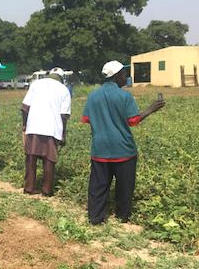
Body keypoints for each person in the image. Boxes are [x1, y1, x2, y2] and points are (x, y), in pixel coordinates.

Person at [82, 60, 165, 224]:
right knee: (124, 187)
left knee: (98, 187)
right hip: (123, 150)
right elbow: (133, 120)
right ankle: (122, 216)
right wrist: (151, 109)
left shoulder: (93, 96)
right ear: (117, 76)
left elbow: (87, 119)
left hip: (100, 149)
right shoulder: (125, 96)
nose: (126, 77)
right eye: (124, 74)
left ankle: (96, 218)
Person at [21, 67, 71, 196]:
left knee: (31, 158)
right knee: (49, 159)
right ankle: (47, 190)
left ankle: (29, 188)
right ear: (61, 78)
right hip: (52, 129)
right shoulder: (64, 89)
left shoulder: (36, 84)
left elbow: (25, 108)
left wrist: (25, 125)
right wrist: (63, 135)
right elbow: (64, 115)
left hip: (33, 127)